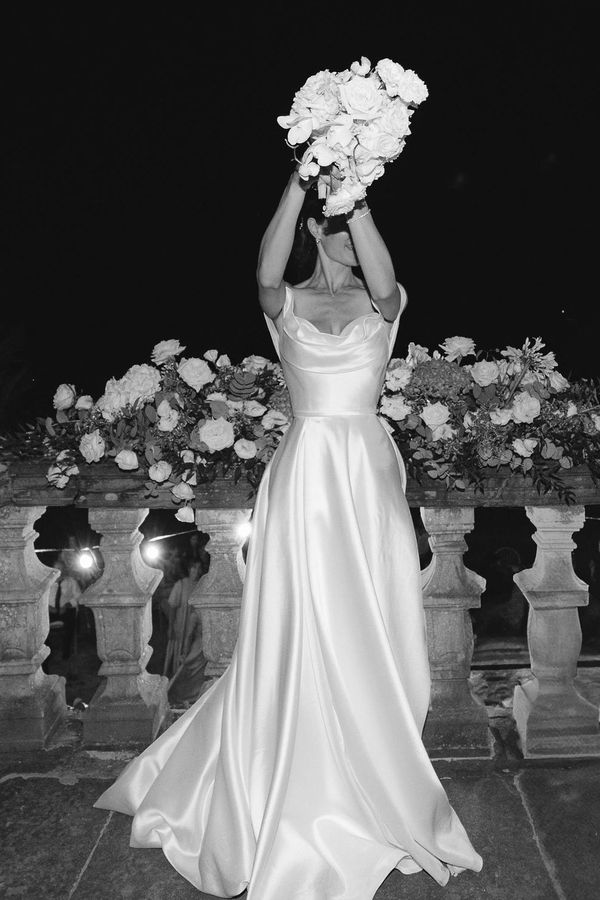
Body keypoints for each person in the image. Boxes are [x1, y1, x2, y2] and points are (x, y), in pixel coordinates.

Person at [95, 167, 483, 898]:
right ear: (312, 228)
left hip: (366, 474)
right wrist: (302, 183)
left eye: (355, 223)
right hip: (304, 478)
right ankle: (290, 769)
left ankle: (378, 770)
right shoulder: (287, 302)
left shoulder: (386, 301)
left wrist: (355, 196)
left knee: (373, 618)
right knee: (301, 622)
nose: (348, 234)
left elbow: (385, 277)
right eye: (334, 223)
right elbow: (264, 273)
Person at [163, 560, 207, 705]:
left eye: (199, 569)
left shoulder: (201, 585)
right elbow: (173, 607)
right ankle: (173, 687)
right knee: (179, 656)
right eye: (194, 568)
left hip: (196, 627)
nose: (196, 571)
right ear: (189, 569)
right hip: (181, 627)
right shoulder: (181, 585)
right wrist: (171, 627)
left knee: (190, 660)